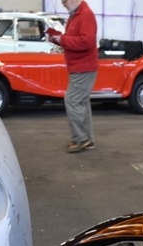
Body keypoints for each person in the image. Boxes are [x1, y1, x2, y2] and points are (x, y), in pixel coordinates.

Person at [48, 0, 99, 153]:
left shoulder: (85, 15)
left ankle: (80, 139)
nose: (63, 3)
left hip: (83, 67)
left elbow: (86, 42)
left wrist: (62, 39)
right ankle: (87, 139)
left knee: (72, 100)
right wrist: (58, 39)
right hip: (80, 67)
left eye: (65, 0)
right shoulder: (75, 15)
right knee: (81, 102)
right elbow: (75, 39)